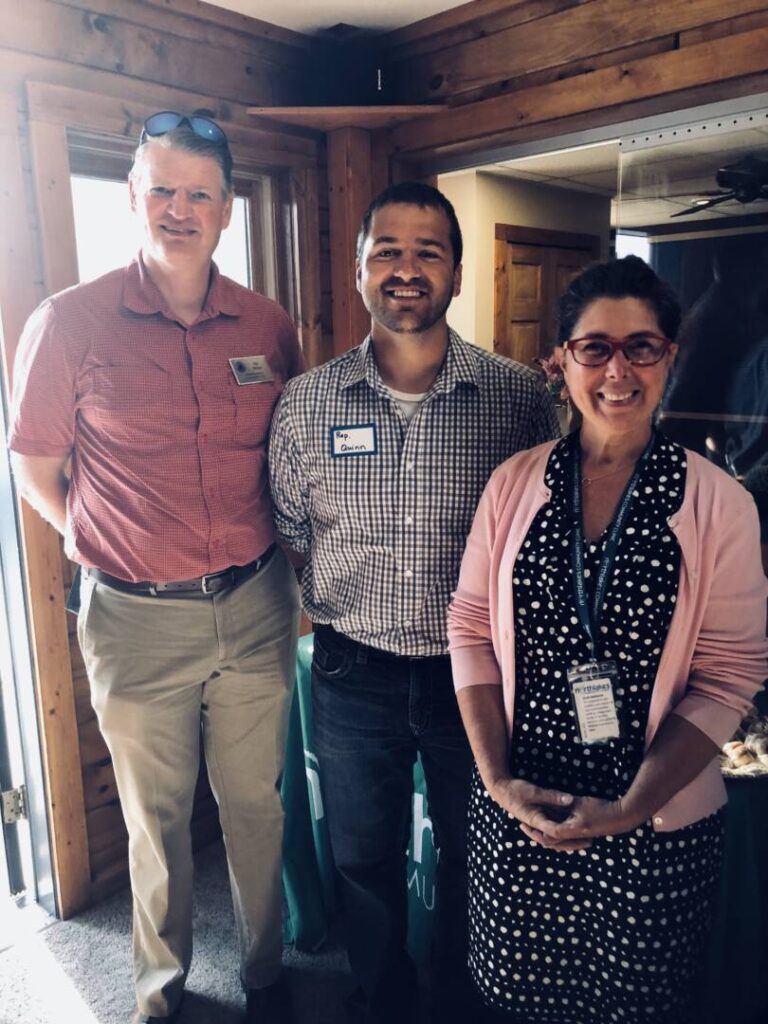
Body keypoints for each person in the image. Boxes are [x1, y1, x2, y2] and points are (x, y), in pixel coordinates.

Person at [9, 112, 302, 1024]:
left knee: (256, 808)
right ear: (134, 197)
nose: (180, 209)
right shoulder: (68, 323)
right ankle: (158, 992)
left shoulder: (267, 324)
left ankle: (266, 973)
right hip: (135, 621)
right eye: (163, 190)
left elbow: (291, 454)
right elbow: (36, 469)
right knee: (156, 822)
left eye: (199, 194)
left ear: (226, 211)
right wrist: (101, 537)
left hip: (255, 604)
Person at [447, 255, 768, 1024]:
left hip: (652, 821)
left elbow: (728, 677)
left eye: (641, 347)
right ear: (562, 361)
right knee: (515, 993)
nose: (618, 370)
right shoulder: (514, 483)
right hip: (522, 807)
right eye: (595, 347)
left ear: (669, 358)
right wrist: (497, 780)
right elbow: (470, 629)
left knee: (636, 1003)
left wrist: (627, 809)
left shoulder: (720, 505)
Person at [268, 181, 559, 1024]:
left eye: (427, 252)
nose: (406, 269)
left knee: (476, 852)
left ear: (457, 275)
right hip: (351, 670)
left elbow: (539, 532)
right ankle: (381, 1001)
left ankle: (463, 1001)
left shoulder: (516, 400)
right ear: (358, 270)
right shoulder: (307, 403)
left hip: (473, 677)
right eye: (387, 251)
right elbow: (291, 529)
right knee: (363, 858)